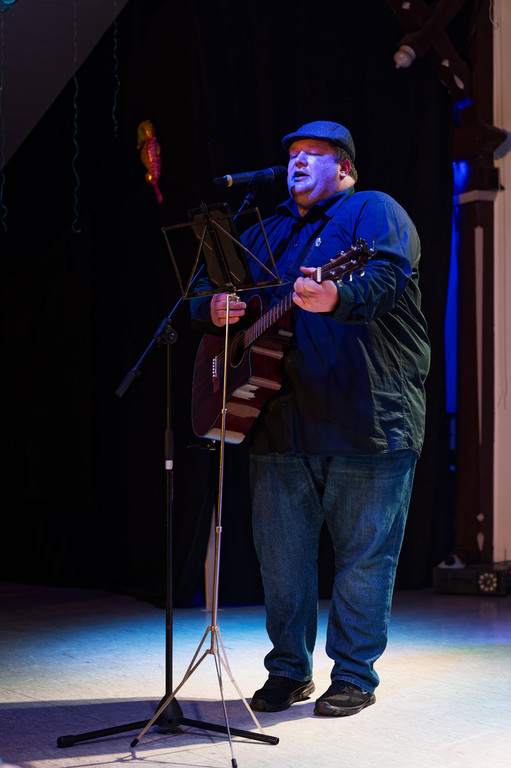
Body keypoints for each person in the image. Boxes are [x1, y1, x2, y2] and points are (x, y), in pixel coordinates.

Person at [190, 120, 430, 717]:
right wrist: (211, 308)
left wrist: (337, 296)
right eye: (293, 153)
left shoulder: (373, 210)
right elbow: (201, 290)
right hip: (278, 418)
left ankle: (353, 676)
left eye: (313, 153)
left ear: (344, 167)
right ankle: (288, 671)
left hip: (367, 413)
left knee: (364, 557)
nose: (297, 161)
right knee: (282, 560)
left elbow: (385, 279)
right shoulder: (262, 231)